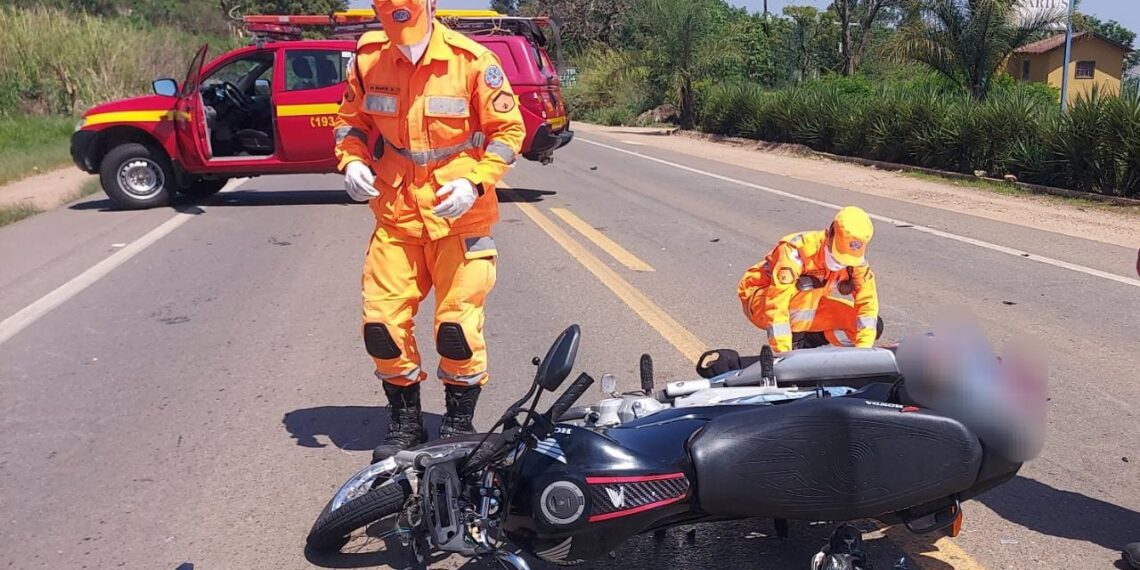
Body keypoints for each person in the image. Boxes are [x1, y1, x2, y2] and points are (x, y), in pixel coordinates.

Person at [334, 0, 525, 458]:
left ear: (430, 5)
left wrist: (474, 180)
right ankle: (405, 421)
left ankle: (458, 422)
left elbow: (509, 132)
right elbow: (351, 124)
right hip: (396, 213)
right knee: (381, 325)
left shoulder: (473, 61)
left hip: (460, 216)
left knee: (456, 328)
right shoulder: (368, 59)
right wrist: (352, 161)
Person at [737, 206, 881, 353]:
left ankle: (812, 345)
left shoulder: (856, 261)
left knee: (867, 326)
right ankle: (794, 346)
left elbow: (867, 302)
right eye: (839, 255)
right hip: (761, 300)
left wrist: (864, 352)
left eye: (847, 259)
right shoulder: (797, 251)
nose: (842, 263)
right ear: (830, 235)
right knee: (808, 288)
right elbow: (777, 304)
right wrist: (784, 356)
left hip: (809, 304)